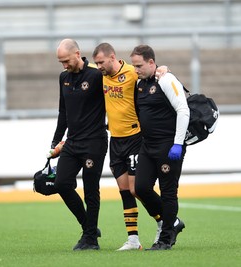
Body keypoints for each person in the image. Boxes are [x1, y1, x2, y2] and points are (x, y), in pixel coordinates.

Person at [92, 43, 170, 251]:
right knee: (125, 191)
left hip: (135, 138)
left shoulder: (131, 73)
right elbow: (83, 68)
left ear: (112, 57)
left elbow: (153, 74)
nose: (98, 66)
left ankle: (166, 221)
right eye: (96, 62)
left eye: (101, 62)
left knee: (137, 189)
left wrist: (163, 68)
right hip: (115, 140)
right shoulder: (99, 74)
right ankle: (133, 240)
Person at [130, 44, 189, 250]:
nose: (136, 70)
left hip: (167, 146)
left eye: (139, 65)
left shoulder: (166, 80)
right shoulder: (140, 84)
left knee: (168, 192)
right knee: (141, 188)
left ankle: (165, 239)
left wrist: (178, 144)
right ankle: (172, 221)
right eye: (133, 66)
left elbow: (183, 110)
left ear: (151, 63)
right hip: (148, 146)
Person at [51, 39, 108, 251]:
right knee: (61, 184)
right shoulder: (63, 77)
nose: (64, 65)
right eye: (60, 62)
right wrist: (55, 142)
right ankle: (89, 227)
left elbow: (121, 79)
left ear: (77, 54)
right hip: (72, 143)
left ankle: (91, 240)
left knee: (90, 190)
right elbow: (62, 112)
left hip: (94, 142)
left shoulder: (96, 75)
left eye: (66, 60)